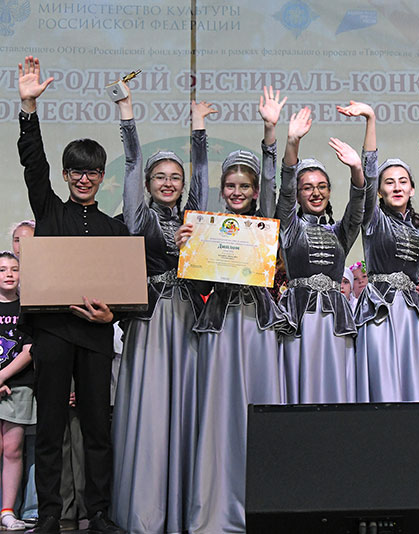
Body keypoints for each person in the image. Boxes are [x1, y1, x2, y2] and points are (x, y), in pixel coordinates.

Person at [17, 56, 126, 534]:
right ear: (65, 176)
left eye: (92, 172)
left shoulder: (115, 228)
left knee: (99, 429)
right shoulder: (49, 212)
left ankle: (98, 512)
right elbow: (32, 164)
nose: (84, 178)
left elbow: (124, 289)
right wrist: (28, 108)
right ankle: (49, 514)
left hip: (96, 336)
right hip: (53, 333)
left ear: (102, 176)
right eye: (76, 172)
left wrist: (111, 316)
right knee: (51, 428)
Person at [185, 87, 291, 534]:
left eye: (244, 186)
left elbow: (272, 177)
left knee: (259, 410)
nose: (237, 192)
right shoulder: (206, 227)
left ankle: (264, 505)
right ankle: (216, 504)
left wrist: (270, 130)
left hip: (258, 327)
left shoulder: (264, 220)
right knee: (220, 414)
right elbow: (199, 283)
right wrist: (189, 251)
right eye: (230, 185)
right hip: (221, 325)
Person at [110, 81, 214, 534]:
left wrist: (199, 128)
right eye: (160, 177)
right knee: (152, 412)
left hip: (188, 318)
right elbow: (132, 162)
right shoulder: (139, 217)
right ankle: (148, 508)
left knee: (188, 408)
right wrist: (127, 111)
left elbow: (203, 178)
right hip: (151, 321)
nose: (169, 183)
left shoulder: (193, 218)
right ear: (149, 185)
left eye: (176, 177)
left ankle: (187, 506)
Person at [344, 101, 419, 403]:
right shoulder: (374, 219)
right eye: (389, 183)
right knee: (383, 385)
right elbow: (367, 178)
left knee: (414, 385)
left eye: (403, 182)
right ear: (380, 192)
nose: (396, 187)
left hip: (412, 314)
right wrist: (370, 119)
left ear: (412, 189)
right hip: (379, 310)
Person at [277, 107, 365, 403]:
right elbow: (284, 192)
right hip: (300, 320)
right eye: (307, 188)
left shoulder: (340, 232)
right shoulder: (290, 228)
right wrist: (292, 142)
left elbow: (358, 208)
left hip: (334, 322)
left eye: (322, 187)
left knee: (334, 390)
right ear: (298, 194)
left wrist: (356, 169)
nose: (315, 193)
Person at [0, 251, 35, 531]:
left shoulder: (27, 307)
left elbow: (29, 350)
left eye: (14, 269)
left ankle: (8, 511)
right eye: (2, 269)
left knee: (13, 449)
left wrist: (2, 376)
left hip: (19, 386)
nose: (9, 274)